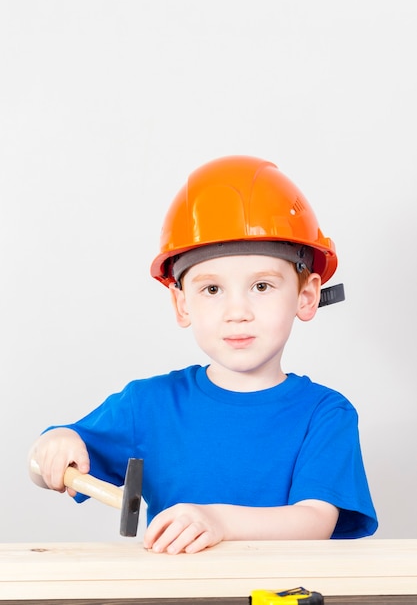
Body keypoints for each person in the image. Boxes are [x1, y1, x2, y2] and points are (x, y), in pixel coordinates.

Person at [28, 155, 378, 554]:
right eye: (212, 290)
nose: (237, 312)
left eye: (262, 286)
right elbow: (54, 463)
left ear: (306, 296)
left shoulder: (326, 413)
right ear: (182, 304)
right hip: (176, 595)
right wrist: (54, 445)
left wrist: (218, 521)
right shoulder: (148, 406)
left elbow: (315, 520)